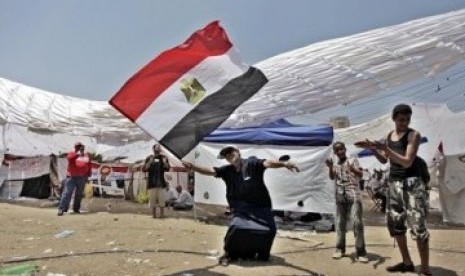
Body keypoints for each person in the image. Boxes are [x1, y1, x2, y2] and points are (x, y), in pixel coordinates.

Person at [182, 146, 299, 265]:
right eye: (226, 155)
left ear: (239, 153)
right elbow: (211, 171)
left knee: (270, 230)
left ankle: (261, 254)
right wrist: (193, 167)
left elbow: (268, 163)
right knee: (236, 228)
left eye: (231, 152)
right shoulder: (227, 170)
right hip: (241, 208)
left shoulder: (252, 163)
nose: (229, 155)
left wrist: (284, 164)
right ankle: (228, 253)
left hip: (261, 206)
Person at [359, 104, 431, 276]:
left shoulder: (413, 135)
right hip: (394, 183)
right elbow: (384, 160)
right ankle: (407, 262)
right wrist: (374, 150)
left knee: (419, 226)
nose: (404, 123)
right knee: (396, 225)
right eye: (401, 120)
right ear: (394, 119)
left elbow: (407, 161)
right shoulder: (389, 136)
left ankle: (425, 269)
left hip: (413, 183)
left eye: (407, 120)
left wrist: (385, 149)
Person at [325, 141, 369, 263]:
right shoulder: (335, 164)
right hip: (340, 197)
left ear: (345, 149)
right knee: (340, 223)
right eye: (338, 150)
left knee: (357, 223)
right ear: (335, 152)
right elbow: (332, 177)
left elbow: (361, 174)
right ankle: (340, 249)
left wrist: (353, 170)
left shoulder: (352, 160)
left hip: (354, 196)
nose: (340, 152)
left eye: (342, 149)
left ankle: (361, 252)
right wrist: (329, 167)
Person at [58, 142, 92, 216]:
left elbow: (89, 165)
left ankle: (76, 209)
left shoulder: (87, 155)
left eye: (81, 147)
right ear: (75, 147)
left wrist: (89, 174)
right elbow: (70, 159)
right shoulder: (71, 153)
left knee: (79, 194)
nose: (80, 148)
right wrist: (78, 154)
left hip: (82, 177)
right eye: (78, 147)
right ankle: (62, 209)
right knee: (67, 192)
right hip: (71, 177)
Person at [143, 144, 170, 218]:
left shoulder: (164, 158)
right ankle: (154, 215)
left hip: (161, 183)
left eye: (159, 148)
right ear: (153, 149)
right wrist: (150, 162)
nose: (158, 150)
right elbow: (144, 169)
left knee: (162, 200)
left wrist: (165, 163)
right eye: (156, 148)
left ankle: (162, 215)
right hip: (152, 183)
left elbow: (167, 168)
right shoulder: (149, 158)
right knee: (152, 200)